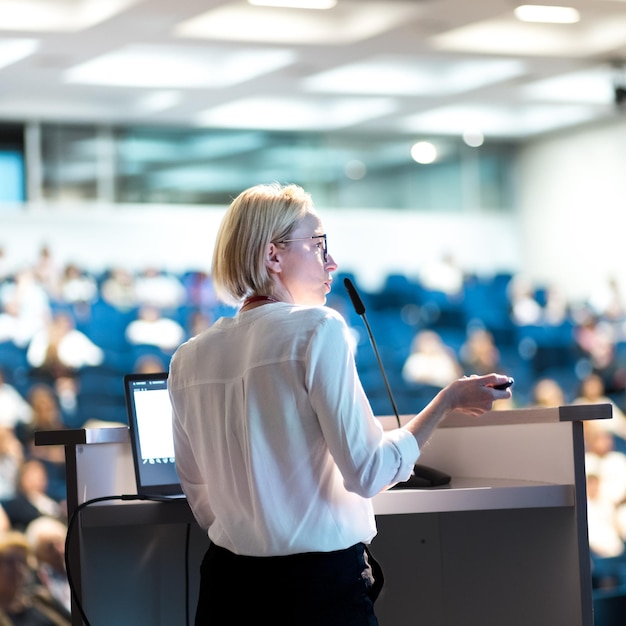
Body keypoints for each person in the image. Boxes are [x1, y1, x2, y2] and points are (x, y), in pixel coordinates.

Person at [168, 182, 513, 626]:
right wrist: (446, 401)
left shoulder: (187, 357)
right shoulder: (318, 329)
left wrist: (256, 526)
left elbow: (201, 497)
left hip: (226, 587)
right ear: (273, 256)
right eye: (317, 246)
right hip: (313, 590)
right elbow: (368, 472)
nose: (331, 261)